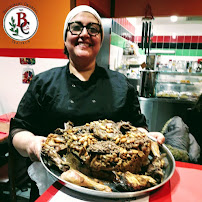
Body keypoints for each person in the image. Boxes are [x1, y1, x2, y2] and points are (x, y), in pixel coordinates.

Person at [9, 5, 165, 199]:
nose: (84, 34)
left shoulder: (121, 84)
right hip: (56, 186)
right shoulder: (43, 82)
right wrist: (31, 143)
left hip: (116, 190)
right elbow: (18, 130)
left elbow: (138, 127)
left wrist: (148, 139)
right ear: (65, 38)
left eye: (93, 29)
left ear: (100, 39)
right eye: (76, 27)